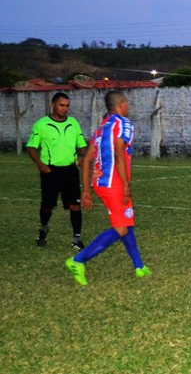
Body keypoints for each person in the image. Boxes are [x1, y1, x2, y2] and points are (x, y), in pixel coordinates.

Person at [65, 91, 150, 286]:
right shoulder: (124, 124)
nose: (128, 107)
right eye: (127, 103)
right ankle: (78, 260)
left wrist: (86, 190)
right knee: (120, 228)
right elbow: (119, 154)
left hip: (100, 182)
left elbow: (86, 160)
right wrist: (126, 184)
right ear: (121, 104)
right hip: (115, 183)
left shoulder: (102, 127)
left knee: (125, 222)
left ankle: (139, 266)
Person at [25, 92, 88, 249]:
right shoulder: (42, 124)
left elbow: (81, 144)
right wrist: (40, 164)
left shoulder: (73, 123)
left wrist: (82, 156)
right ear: (53, 105)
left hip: (70, 171)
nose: (65, 109)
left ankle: (76, 239)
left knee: (75, 206)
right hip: (50, 172)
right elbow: (31, 147)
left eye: (67, 106)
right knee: (47, 206)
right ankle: (44, 228)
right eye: (62, 105)